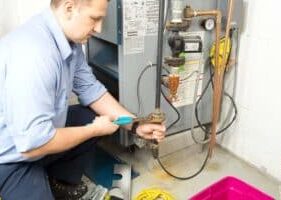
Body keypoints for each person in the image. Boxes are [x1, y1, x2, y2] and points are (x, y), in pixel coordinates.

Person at [0, 0, 166, 199]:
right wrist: (93, 130)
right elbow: (32, 144)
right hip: (11, 158)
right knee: (91, 125)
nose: (99, 28)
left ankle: (59, 182)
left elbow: (92, 90)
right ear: (69, 8)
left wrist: (136, 125)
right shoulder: (34, 55)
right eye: (94, 19)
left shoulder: (68, 41)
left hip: (37, 138)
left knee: (91, 114)